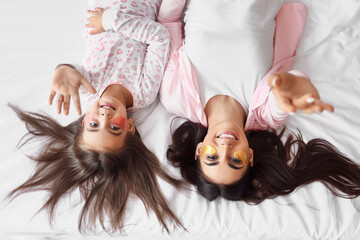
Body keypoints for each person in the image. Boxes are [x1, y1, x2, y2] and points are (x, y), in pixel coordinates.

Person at [7, 0, 184, 233]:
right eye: (114, 129)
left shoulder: (87, 88)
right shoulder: (144, 92)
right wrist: (111, 20)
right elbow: (159, 37)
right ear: (130, 127)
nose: (104, 116)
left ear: (84, 120)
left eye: (94, 124)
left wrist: (63, 69)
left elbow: (74, 68)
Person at [158, 0, 360, 202]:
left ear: (199, 150)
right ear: (250, 156)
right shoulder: (266, 113)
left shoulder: (175, 97)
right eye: (236, 160)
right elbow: (288, 90)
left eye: (212, 157)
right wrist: (294, 88)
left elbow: (168, 23)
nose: (226, 148)